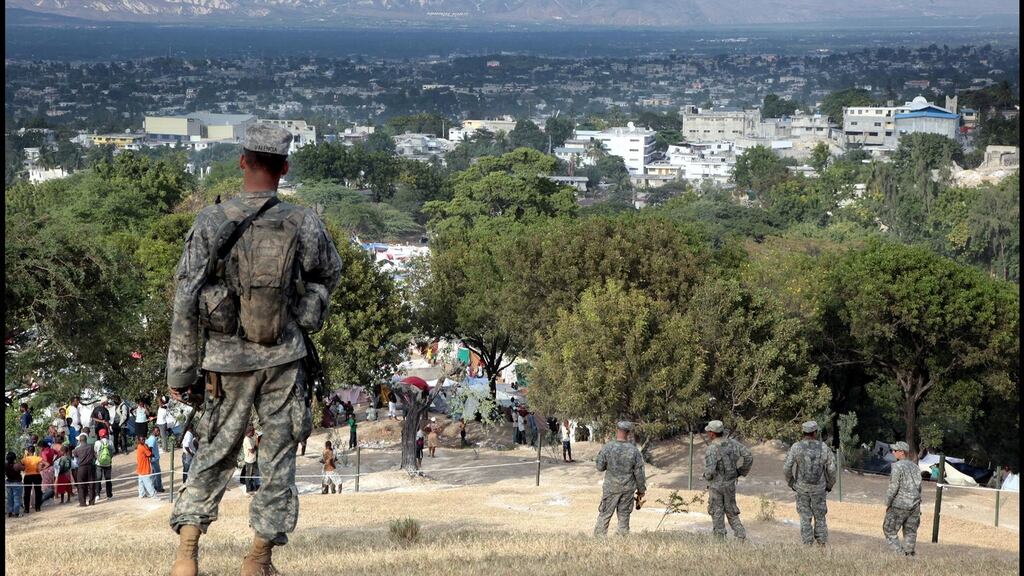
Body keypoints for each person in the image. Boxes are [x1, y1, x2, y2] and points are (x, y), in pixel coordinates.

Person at [167, 123, 342, 576]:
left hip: (224, 361)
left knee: (215, 450)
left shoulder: (211, 220)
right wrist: (306, 313)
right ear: (284, 168)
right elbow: (328, 274)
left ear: (243, 161)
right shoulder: (303, 222)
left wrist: (180, 374)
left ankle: (187, 555)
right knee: (278, 457)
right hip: (284, 358)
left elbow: (186, 297)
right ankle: (257, 559)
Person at [783, 420, 837, 546]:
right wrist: (829, 485)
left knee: (804, 517)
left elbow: (787, 468)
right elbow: (832, 470)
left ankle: (807, 544)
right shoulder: (824, 448)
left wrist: (791, 483)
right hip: (819, 489)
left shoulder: (796, 447)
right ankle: (822, 544)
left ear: (803, 432)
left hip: (802, 488)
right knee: (820, 517)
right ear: (815, 432)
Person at [593, 421, 646, 537]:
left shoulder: (608, 448)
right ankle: (622, 540)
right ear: (628, 433)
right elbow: (639, 473)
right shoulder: (634, 451)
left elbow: (599, 467)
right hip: (627, 489)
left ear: (617, 430)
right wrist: (641, 490)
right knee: (624, 516)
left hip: (611, 488)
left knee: (605, 514)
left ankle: (598, 539)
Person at [703, 420, 753, 540]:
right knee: (732, 512)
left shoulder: (711, 449)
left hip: (716, 487)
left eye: (708, 432)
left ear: (712, 434)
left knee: (717, 512)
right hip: (730, 484)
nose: (707, 434)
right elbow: (748, 456)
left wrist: (707, 476)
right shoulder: (733, 443)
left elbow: (710, 470)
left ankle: (720, 540)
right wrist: (740, 472)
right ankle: (741, 535)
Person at [883, 441, 922, 556]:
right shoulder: (915, 467)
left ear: (901, 452)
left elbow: (893, 487)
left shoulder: (897, 466)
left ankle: (900, 554)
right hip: (915, 505)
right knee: (910, 531)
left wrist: (888, 503)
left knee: (889, 529)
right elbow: (919, 487)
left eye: (894, 451)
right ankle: (909, 554)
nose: (893, 452)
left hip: (899, 504)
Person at [73, 433, 97, 507]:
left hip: (81, 468)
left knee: (81, 485)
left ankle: (82, 502)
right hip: (90, 467)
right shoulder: (91, 447)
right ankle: (92, 501)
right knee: (91, 484)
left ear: (80, 441)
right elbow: (95, 455)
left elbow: (75, 456)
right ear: (86, 440)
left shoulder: (76, 449)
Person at [21, 445, 44, 513]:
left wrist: (25, 469)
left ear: (28, 451)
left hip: (28, 476)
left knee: (27, 493)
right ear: (34, 451)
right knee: (38, 492)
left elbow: (20, 466)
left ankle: (26, 509)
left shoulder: (24, 459)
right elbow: (46, 464)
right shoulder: (38, 458)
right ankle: (38, 508)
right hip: (37, 475)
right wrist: (41, 469)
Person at [95, 428, 115, 500]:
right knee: (108, 479)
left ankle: (97, 494)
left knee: (98, 479)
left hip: (99, 464)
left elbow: (95, 452)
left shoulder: (97, 442)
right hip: (108, 464)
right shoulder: (110, 442)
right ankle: (109, 495)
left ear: (99, 436)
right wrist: (109, 459)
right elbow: (113, 452)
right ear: (106, 435)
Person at [241, 425, 261, 494]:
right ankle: (248, 489)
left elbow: (256, 444)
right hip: (249, 460)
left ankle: (255, 486)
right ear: (249, 432)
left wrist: (257, 438)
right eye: (253, 431)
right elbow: (252, 450)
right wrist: (256, 446)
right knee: (248, 475)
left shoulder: (251, 438)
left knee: (254, 474)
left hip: (253, 459)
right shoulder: (247, 440)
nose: (254, 432)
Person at [6, 452, 25, 518]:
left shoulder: (6, 465)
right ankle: (16, 513)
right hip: (17, 483)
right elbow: (24, 468)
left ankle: (10, 512)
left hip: (8, 483)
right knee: (17, 498)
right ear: (14, 458)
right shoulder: (17, 465)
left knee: (9, 498)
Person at [147, 427, 166, 493]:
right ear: (154, 431)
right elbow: (149, 448)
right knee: (158, 474)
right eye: (157, 431)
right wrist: (151, 455)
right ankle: (159, 487)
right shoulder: (152, 439)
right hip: (154, 459)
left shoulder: (150, 438)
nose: (158, 433)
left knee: (154, 473)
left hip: (153, 459)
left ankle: (155, 486)